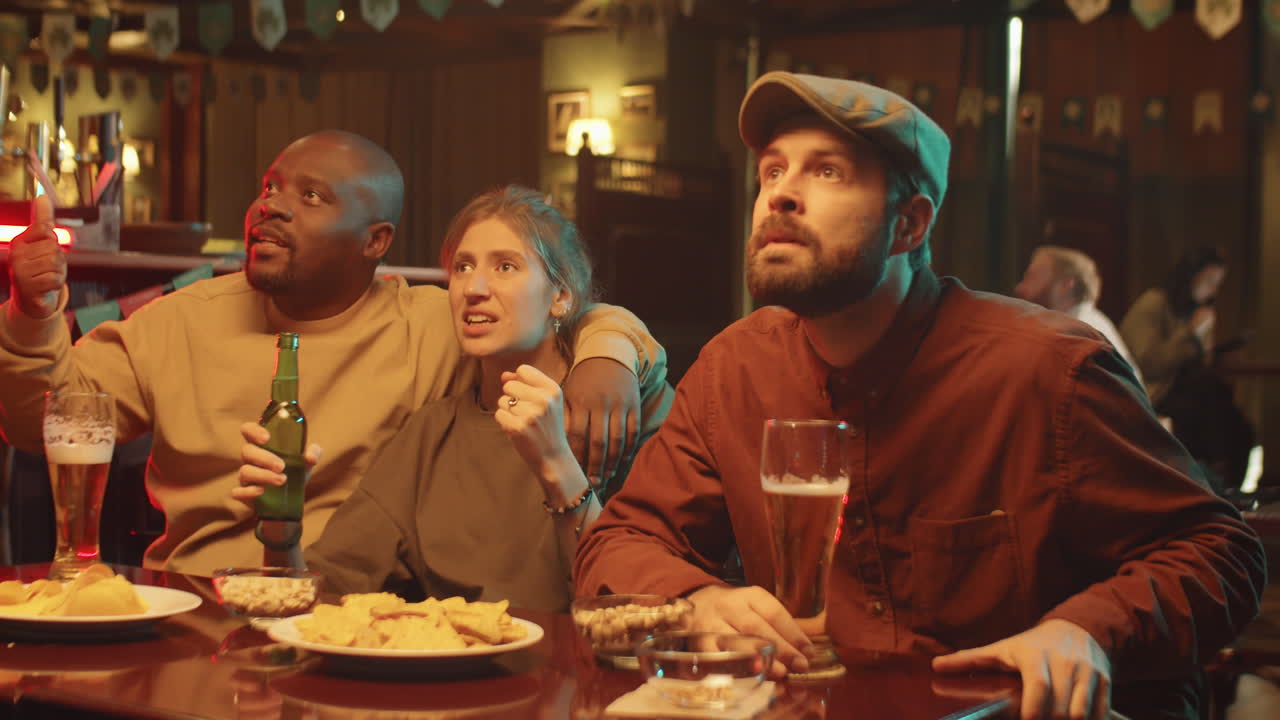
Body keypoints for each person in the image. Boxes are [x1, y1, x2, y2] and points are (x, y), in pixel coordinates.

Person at [574, 73, 1264, 720]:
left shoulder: (1047, 371)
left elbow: (1219, 553)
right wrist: (696, 601)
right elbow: (619, 543)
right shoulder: (734, 370)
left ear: (910, 224)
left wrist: (1084, 631)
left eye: (827, 171)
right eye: (773, 171)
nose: (781, 194)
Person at [0, 130, 667, 577]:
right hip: (192, 602)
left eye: (311, 196)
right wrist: (32, 312)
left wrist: (607, 353)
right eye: (270, 187)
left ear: (375, 241)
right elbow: (40, 422)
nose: (272, 207)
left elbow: (558, 312)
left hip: (346, 608)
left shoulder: (431, 323)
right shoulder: (177, 321)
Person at [234, 186, 673, 611]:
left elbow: (639, 604)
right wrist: (280, 525)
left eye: (505, 266)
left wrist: (558, 464)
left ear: (560, 296)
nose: (473, 288)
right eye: (463, 267)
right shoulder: (432, 434)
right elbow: (323, 591)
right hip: (454, 661)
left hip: (590, 660)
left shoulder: (618, 405)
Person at [1120, 247, 1253, 491]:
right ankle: (1211, 486)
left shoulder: (1196, 311)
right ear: (1191, 276)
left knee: (1238, 427)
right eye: (1209, 282)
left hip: (1189, 394)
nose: (1213, 291)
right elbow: (1151, 364)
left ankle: (1227, 490)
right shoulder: (1154, 303)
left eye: (1218, 285)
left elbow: (1198, 366)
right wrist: (1191, 333)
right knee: (1208, 408)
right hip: (1154, 392)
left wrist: (1212, 346)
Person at [1013, 244, 1142, 386]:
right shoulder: (1093, 322)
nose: (1019, 288)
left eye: (1031, 277)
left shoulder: (1077, 334)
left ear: (1065, 286)